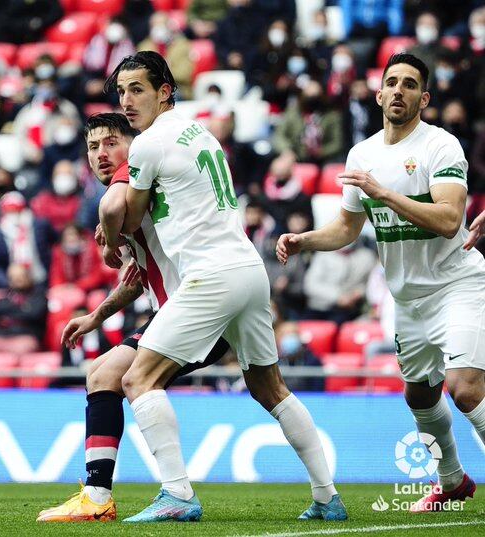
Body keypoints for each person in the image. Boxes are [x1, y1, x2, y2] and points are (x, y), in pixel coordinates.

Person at [106, 51, 345, 523]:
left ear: (165, 91)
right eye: (121, 92)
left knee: (137, 379)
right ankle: (326, 497)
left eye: (137, 89)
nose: (127, 101)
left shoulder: (148, 143)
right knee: (269, 386)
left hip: (210, 275)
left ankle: (177, 494)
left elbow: (127, 215)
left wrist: (108, 234)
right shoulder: (200, 131)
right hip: (248, 270)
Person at [277, 53, 485, 512]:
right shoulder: (363, 154)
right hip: (408, 299)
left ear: (423, 98)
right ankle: (451, 480)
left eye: (410, 84)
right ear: (378, 94)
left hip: (457, 287)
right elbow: (348, 228)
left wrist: (385, 193)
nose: (398, 90)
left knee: (466, 387)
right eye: (391, 82)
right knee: (420, 395)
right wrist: (304, 240)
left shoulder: (441, 147)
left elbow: (450, 220)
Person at [37, 113, 229, 522]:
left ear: (132, 144)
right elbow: (138, 275)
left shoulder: (133, 181)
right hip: (184, 306)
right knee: (102, 373)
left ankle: (170, 493)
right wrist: (96, 316)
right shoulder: (130, 196)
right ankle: (97, 496)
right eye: (93, 147)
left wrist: (109, 239)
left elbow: (112, 212)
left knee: (123, 378)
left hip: (199, 307)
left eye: (111, 142)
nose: (102, 154)